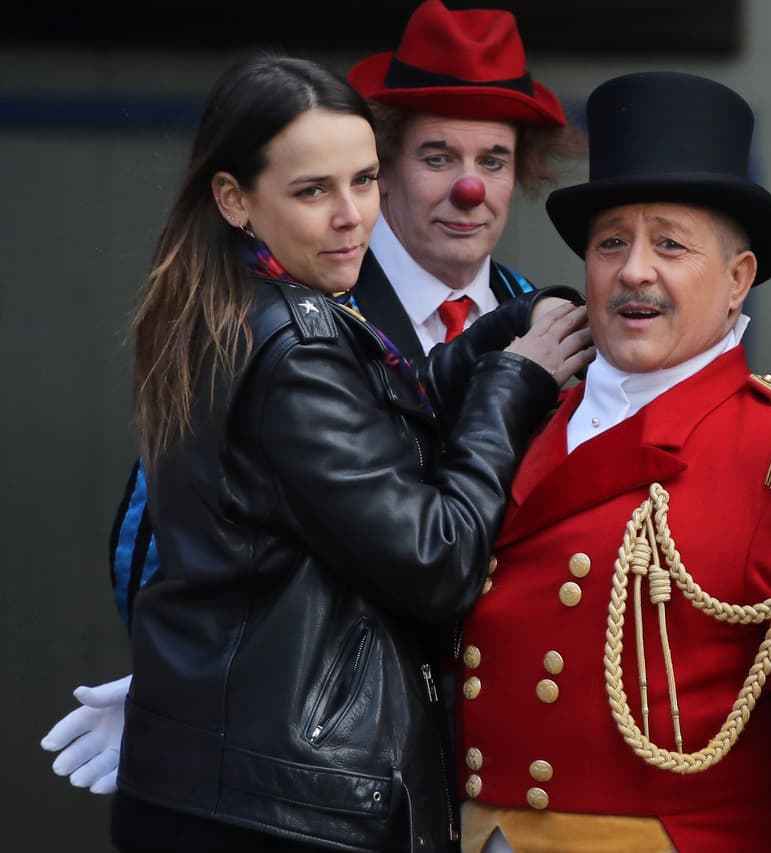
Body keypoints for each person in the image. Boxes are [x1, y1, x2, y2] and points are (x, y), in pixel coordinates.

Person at [44, 0, 582, 797]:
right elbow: (164, 535)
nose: (469, 187)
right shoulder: (306, 305)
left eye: (493, 159)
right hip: (331, 762)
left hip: (488, 754)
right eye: (437, 155)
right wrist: (192, 683)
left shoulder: (540, 319)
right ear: (391, 158)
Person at [455, 71, 771, 853]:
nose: (635, 270)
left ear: (739, 280)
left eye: (670, 243)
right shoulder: (517, 419)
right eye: (612, 242)